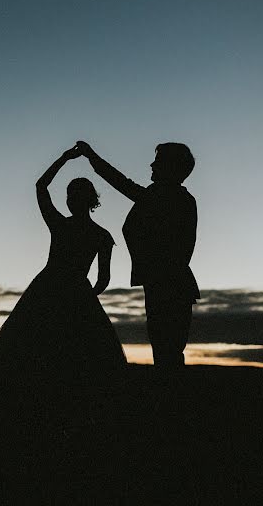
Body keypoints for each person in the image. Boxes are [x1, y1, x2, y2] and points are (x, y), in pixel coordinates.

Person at [0, 145, 126, 377]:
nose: (70, 200)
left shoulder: (62, 226)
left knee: (34, 348)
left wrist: (64, 158)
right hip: (75, 291)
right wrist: (85, 297)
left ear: (84, 200)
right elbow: (103, 280)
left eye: (73, 196)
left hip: (48, 287)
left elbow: (41, 186)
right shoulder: (100, 235)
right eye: (69, 195)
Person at [76, 140, 199, 371]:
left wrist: (92, 157)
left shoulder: (165, 197)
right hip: (164, 283)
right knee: (167, 354)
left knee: (167, 355)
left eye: (158, 161)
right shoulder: (168, 196)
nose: (152, 165)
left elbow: (123, 184)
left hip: (167, 285)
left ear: (169, 167)